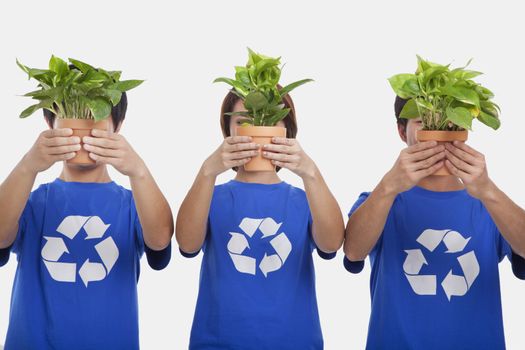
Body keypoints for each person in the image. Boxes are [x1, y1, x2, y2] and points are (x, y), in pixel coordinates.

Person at [343, 95, 525, 349]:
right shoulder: (381, 200)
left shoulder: (490, 205)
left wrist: (488, 190)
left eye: (452, 124)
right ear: (401, 131)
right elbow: (352, 250)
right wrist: (389, 185)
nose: (439, 133)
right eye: (423, 122)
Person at [0, 90, 174, 350]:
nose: (84, 134)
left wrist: (138, 170)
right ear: (50, 125)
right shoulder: (31, 200)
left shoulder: (133, 202)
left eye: (97, 118)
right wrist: (28, 166)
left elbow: (160, 241)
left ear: (118, 127)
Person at [176, 89, 344, 349]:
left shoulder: (306, 198)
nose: (255, 130)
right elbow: (187, 243)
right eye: (243, 122)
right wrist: (208, 171)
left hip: (295, 342)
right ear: (228, 134)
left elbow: (332, 243)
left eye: (269, 120)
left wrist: (310, 172)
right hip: (218, 342)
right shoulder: (210, 196)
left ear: (286, 132)